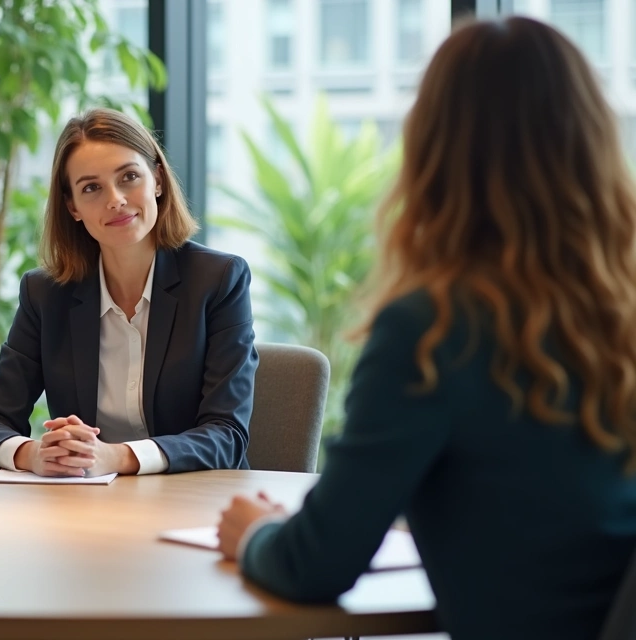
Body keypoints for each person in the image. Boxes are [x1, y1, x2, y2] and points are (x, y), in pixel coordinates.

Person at [217, 16, 636, 640]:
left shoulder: (434, 330)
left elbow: (316, 564)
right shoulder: (617, 311)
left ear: (435, 152)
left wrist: (253, 533)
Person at [0, 107, 258, 476]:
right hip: (89, 508)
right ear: (72, 206)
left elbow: (227, 436)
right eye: (91, 188)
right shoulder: (45, 294)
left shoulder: (218, 281)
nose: (115, 199)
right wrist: (35, 454)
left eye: (129, 177)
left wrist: (116, 457)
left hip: (196, 503)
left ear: (158, 180)